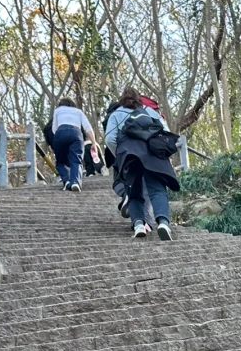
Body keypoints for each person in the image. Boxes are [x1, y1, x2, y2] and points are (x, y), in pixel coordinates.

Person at [104, 87, 179, 241]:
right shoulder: (150, 112)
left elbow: (109, 139)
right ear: (139, 99)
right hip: (152, 154)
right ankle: (163, 223)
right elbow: (165, 131)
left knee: (134, 192)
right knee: (157, 190)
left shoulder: (116, 114)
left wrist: (119, 155)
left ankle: (139, 225)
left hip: (130, 156)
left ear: (122, 100)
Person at [50, 98, 93, 190]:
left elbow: (54, 128)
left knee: (61, 161)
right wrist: (94, 142)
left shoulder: (57, 110)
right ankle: (75, 182)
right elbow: (88, 127)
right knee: (76, 160)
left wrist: (57, 140)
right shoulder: (78, 111)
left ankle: (67, 180)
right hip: (76, 133)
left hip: (60, 132)